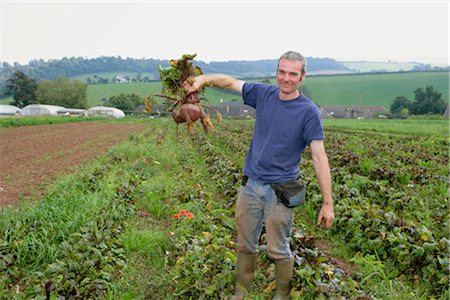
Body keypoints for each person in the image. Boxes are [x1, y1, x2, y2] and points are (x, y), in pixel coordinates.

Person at [184, 51, 334, 300]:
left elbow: (319, 156)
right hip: (250, 186)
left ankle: (281, 295)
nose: (286, 78)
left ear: (303, 76)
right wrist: (203, 80)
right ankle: (240, 292)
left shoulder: (308, 112)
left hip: (281, 190)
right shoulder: (264, 95)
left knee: (278, 249)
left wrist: (328, 203)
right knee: (245, 244)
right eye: (282, 72)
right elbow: (230, 83)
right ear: (277, 72)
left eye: (292, 74)